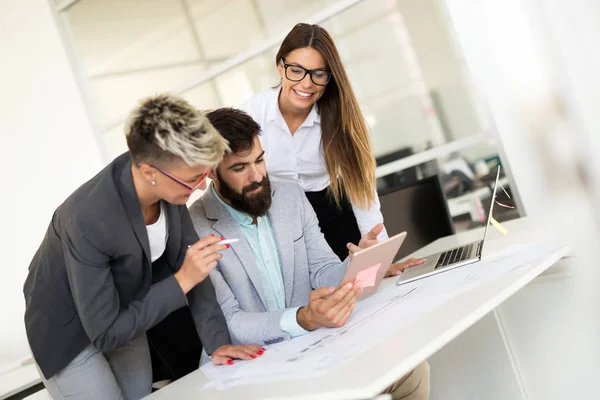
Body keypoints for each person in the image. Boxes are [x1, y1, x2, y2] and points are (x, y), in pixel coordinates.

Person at [23, 95, 263, 400]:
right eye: (194, 179)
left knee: (140, 394)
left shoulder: (169, 185)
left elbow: (193, 265)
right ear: (149, 172)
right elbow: (107, 332)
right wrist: (182, 280)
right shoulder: (87, 219)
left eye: (205, 173)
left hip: (125, 310)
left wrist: (217, 344)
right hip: (67, 330)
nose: (202, 186)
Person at [189, 108, 430, 400]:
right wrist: (301, 319)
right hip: (246, 366)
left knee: (411, 372)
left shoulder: (289, 196)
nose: (256, 176)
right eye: (240, 168)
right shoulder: (194, 226)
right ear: (212, 171)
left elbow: (321, 269)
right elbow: (229, 321)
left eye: (260, 160)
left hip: (307, 347)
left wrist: (358, 263)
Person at [241, 23, 424, 270]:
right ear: (280, 67)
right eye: (296, 70)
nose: (307, 84)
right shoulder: (253, 112)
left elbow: (363, 197)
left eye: (318, 74)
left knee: (364, 293)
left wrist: (382, 258)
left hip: (332, 217)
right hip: (280, 223)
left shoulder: (339, 118)